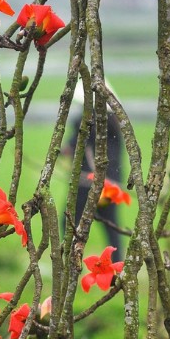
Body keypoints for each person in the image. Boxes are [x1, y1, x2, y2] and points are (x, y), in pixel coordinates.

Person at [63, 82, 125, 258]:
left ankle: (69, 260)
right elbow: (74, 143)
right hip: (111, 183)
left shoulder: (88, 122)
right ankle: (117, 265)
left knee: (69, 222)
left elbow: (76, 144)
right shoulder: (115, 123)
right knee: (112, 227)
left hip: (88, 184)